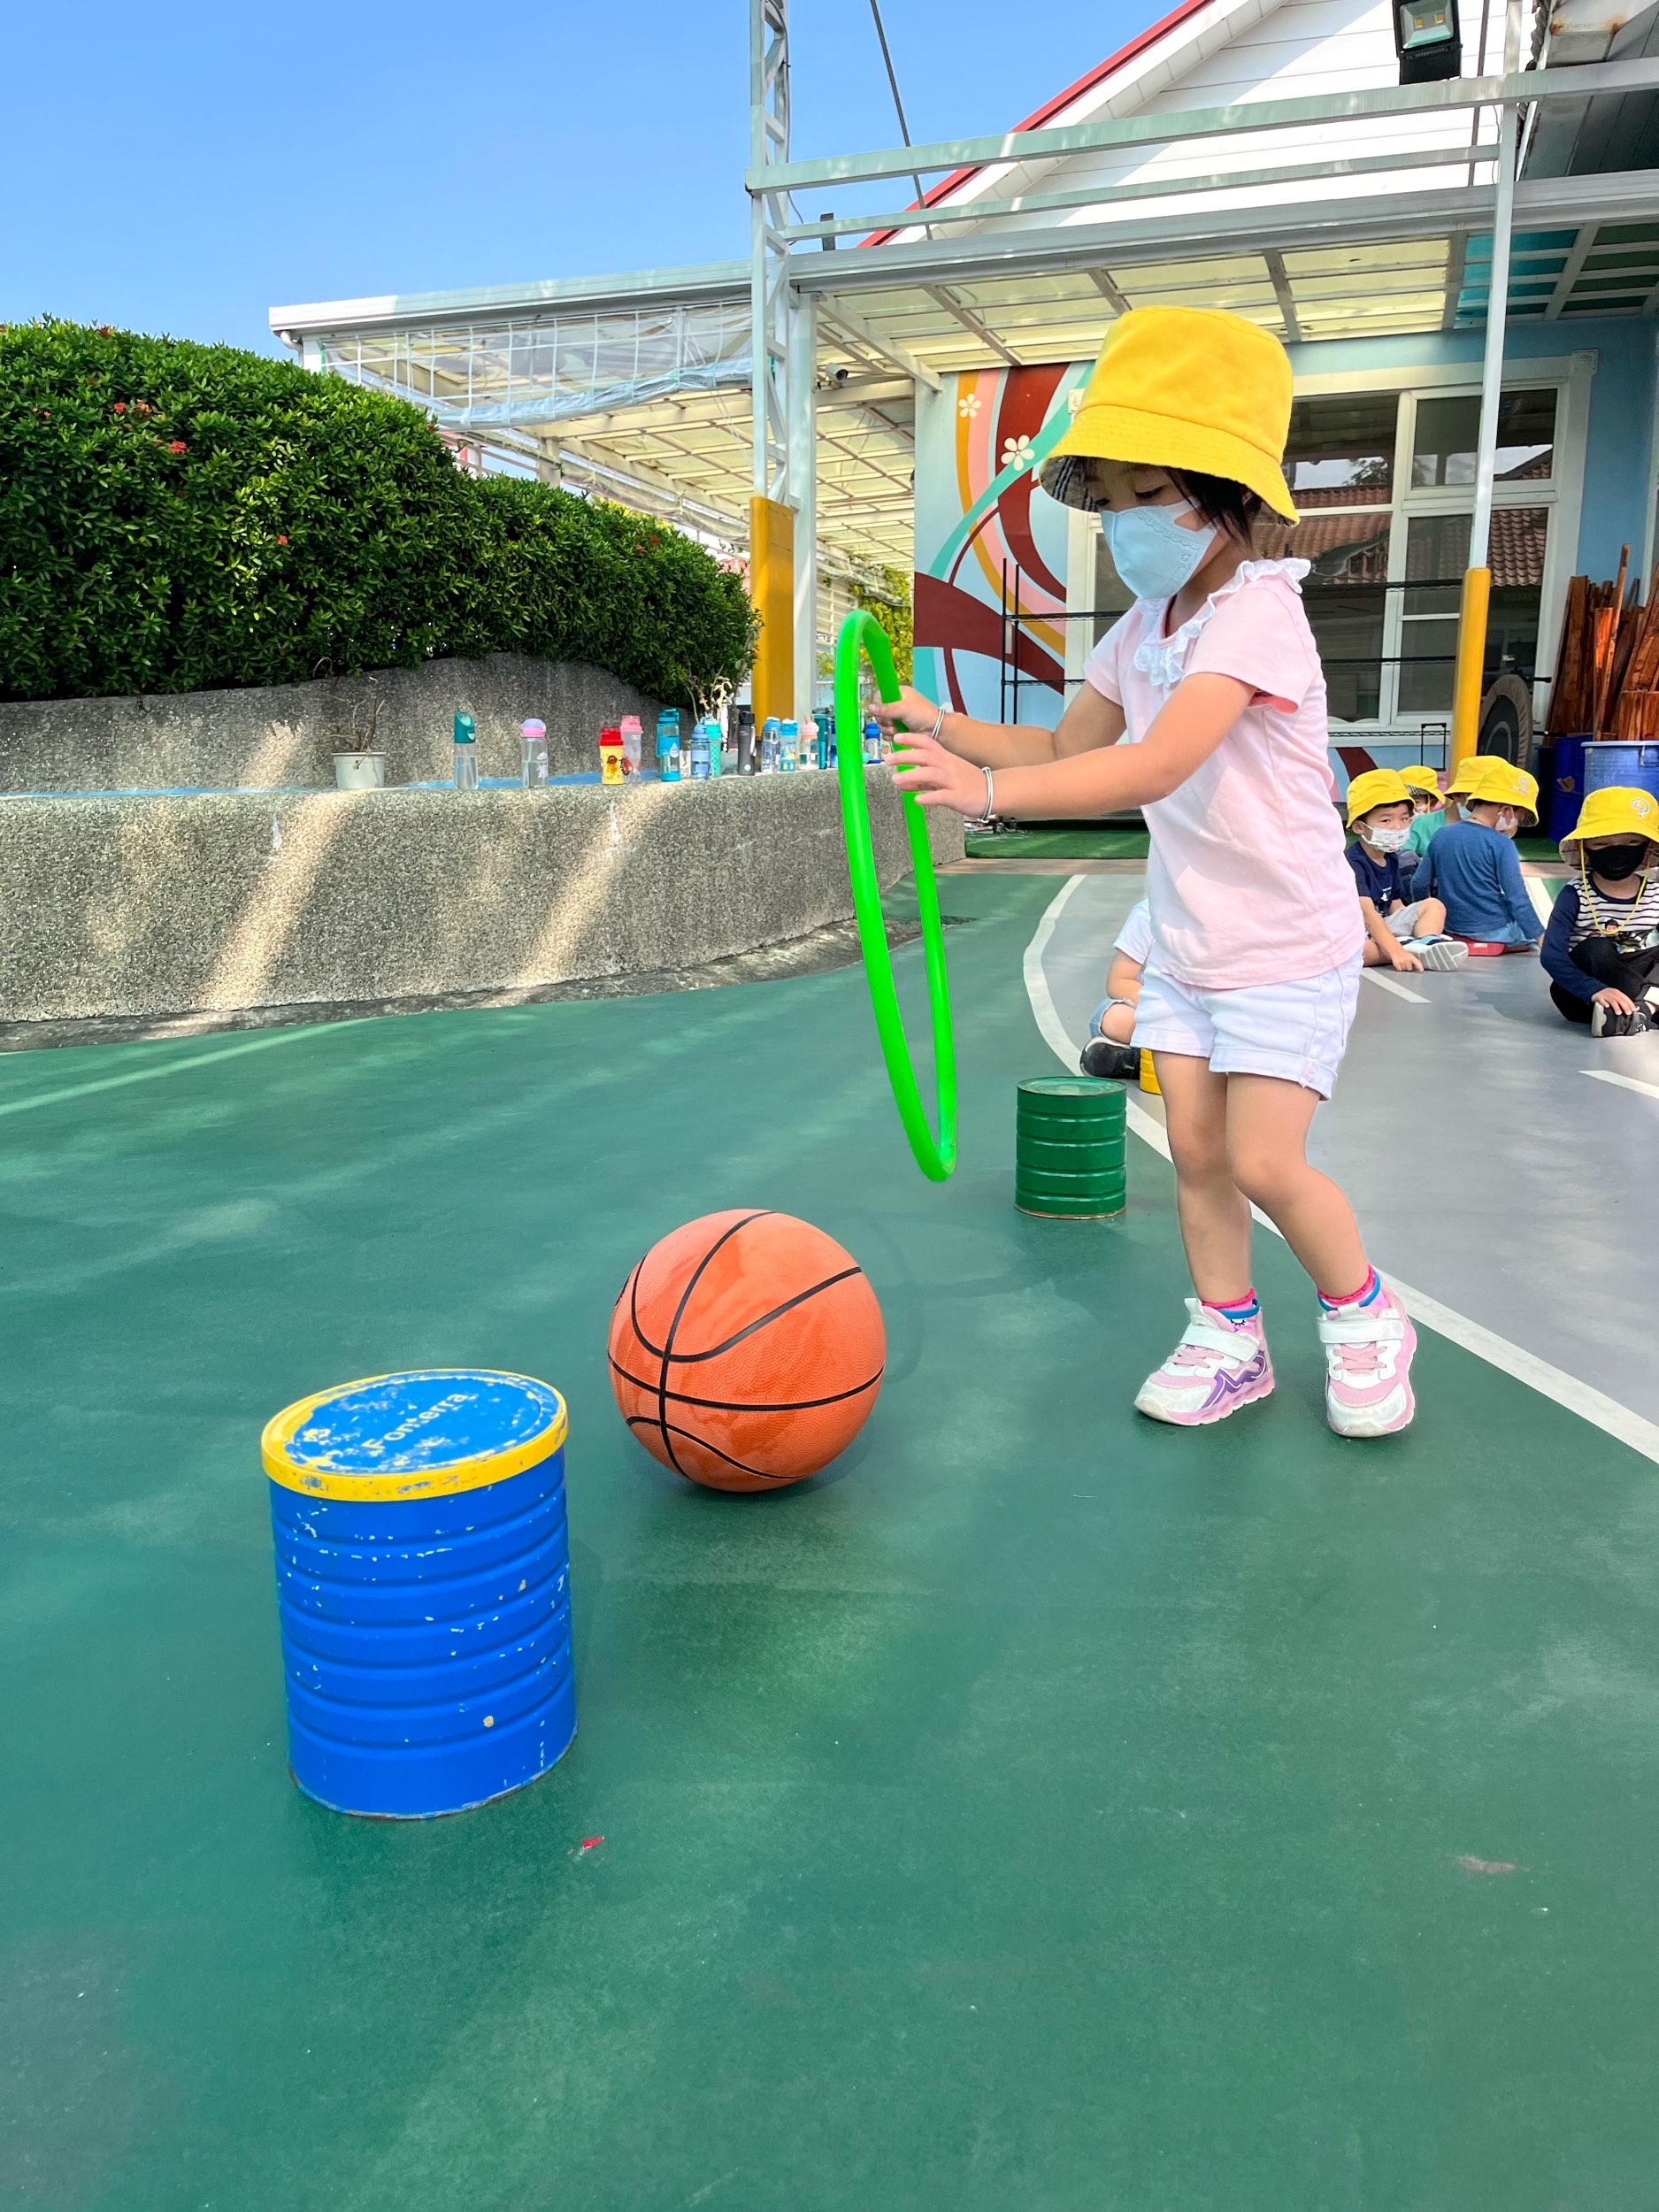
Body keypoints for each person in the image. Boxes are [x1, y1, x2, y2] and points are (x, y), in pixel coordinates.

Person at [877, 306, 1416, 1439]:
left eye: (1149, 493)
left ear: (1228, 495)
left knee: (1266, 1160)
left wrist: (986, 795)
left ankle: (1364, 1314)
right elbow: (1065, 747)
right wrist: (948, 726)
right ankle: (1229, 1335)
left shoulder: (1259, 615)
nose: (1125, 520)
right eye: (1111, 499)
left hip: (1285, 945)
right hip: (1187, 945)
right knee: (1199, 1155)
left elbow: (1157, 762)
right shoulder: (1140, 630)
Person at [1540, 785, 1659, 1036]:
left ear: (1647, 847)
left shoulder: (1654, 894)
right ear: (1584, 848)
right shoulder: (1575, 894)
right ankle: (1643, 1009)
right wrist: (1593, 989)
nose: (1617, 852)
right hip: (1581, 992)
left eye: (1632, 842)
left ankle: (1639, 1012)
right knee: (1596, 947)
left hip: (1636, 983)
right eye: (1602, 843)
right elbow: (1551, 956)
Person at [1409, 759, 1542, 952]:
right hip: (1495, 929)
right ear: (1506, 810)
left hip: (1451, 925)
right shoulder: (1503, 844)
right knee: (1528, 940)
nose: (1514, 825)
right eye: (1517, 819)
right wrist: (1541, 937)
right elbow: (1518, 899)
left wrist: (1428, 915)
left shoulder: (1441, 835)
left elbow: (1418, 883)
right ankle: (1496, 946)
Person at [1342, 767, 1463, 971]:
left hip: (1383, 927)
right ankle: (1407, 950)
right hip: (1357, 928)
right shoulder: (1353, 861)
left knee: (1433, 905)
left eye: (1404, 818)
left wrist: (1408, 923)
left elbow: (1395, 905)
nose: (1398, 827)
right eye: (1386, 820)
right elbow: (1366, 913)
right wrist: (1395, 950)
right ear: (1359, 827)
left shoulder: (1391, 857)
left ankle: (1425, 943)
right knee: (1360, 950)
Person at [1080, 899, 1151, 1079]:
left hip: (1212, 1018)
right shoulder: (1148, 913)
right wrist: (1167, 1010)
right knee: (1113, 1018)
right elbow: (1119, 981)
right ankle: (1142, 1060)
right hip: (1162, 1014)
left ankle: (1141, 1059)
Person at [1400, 764, 1446, 856]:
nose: (1409, 807)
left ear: (1431, 803)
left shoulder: (1441, 826)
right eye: (1404, 801)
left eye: (1416, 802)